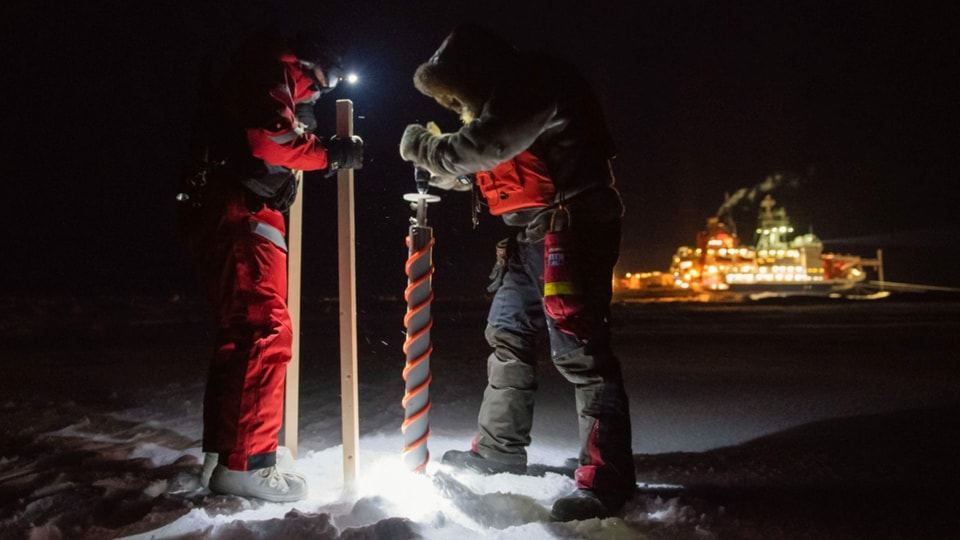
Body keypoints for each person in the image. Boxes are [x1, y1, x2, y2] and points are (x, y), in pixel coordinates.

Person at [399, 24, 635, 521]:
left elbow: (487, 147)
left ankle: (607, 476)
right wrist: (444, 166)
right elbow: (481, 168)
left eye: (455, 89)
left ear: (475, 73)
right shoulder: (505, 99)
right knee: (506, 335)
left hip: (572, 226)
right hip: (531, 233)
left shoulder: (532, 80)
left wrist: (426, 148)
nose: (457, 101)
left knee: (580, 350)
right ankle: (498, 450)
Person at [178, 28, 363, 502]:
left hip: (244, 208)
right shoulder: (273, 67)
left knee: (241, 335)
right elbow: (269, 138)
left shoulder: (272, 74)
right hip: (242, 210)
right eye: (330, 77)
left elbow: (275, 139)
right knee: (264, 331)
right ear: (315, 61)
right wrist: (328, 155)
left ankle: (224, 456)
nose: (328, 88)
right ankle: (247, 464)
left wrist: (304, 155)